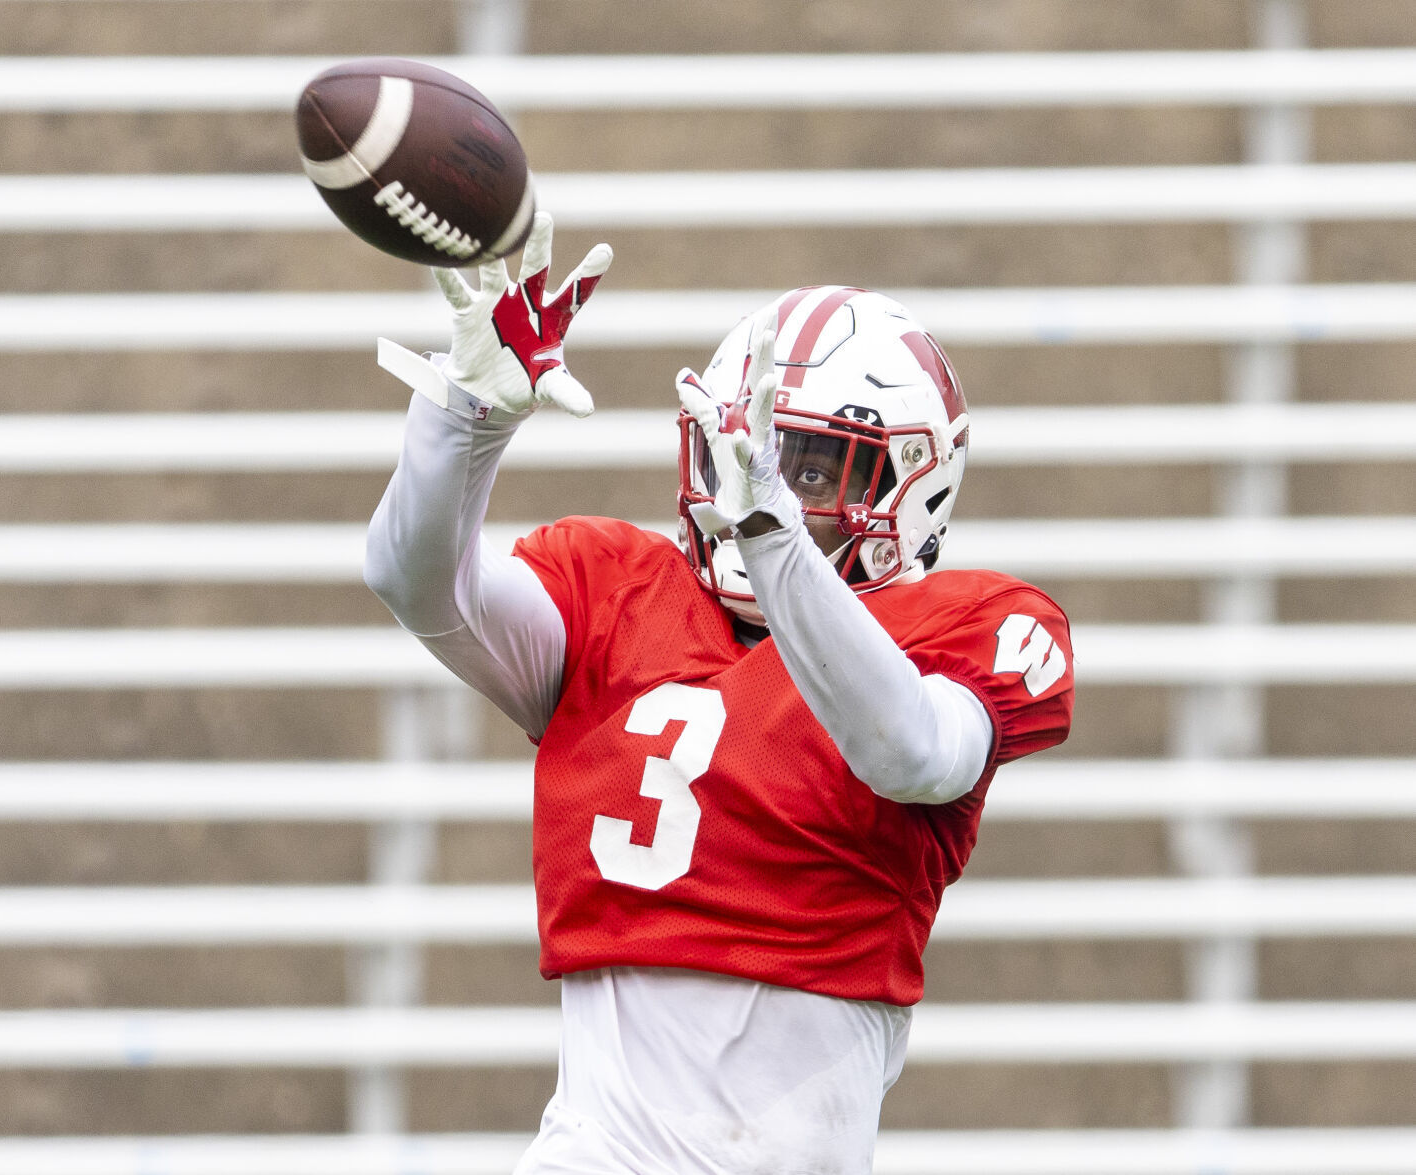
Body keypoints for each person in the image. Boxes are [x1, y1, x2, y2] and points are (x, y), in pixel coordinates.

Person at [364, 212, 1075, 1175]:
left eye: (810, 466)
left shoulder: (958, 625)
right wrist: (466, 420)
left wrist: (776, 534)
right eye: (746, 446)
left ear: (915, 486)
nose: (759, 482)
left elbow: (911, 752)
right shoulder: (612, 591)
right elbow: (417, 584)